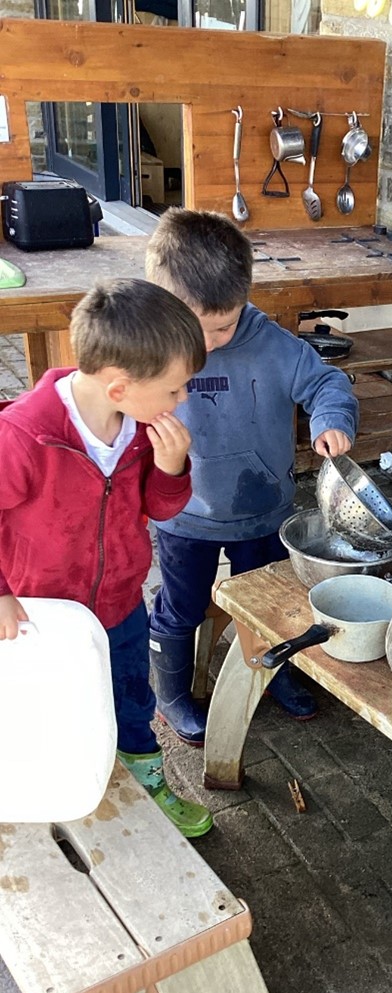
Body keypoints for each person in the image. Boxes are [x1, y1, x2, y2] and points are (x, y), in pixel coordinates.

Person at [0, 279, 213, 837]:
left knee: (130, 697)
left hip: (120, 602)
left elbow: (159, 508)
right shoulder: (25, 436)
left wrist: (171, 469)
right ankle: (51, 793)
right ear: (118, 387)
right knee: (51, 704)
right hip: (41, 615)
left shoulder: (142, 431)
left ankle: (145, 781)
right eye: (174, 389)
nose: (182, 400)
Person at [144, 209, 358, 744]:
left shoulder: (274, 346)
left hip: (263, 508)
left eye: (226, 324)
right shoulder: (150, 344)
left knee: (271, 603)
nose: (212, 340)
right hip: (181, 513)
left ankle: (273, 674)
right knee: (182, 606)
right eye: (200, 328)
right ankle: (171, 693)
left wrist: (331, 420)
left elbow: (328, 383)